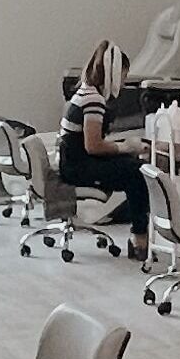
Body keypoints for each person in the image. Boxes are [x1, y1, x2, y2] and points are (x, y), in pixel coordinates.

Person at [60, 40, 152, 259]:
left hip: (73, 161)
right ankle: (140, 238)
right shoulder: (93, 100)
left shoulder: (84, 92)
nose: (124, 81)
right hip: (78, 167)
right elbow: (93, 146)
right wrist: (125, 147)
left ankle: (139, 232)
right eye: (123, 76)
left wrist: (126, 149)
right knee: (140, 174)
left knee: (134, 167)